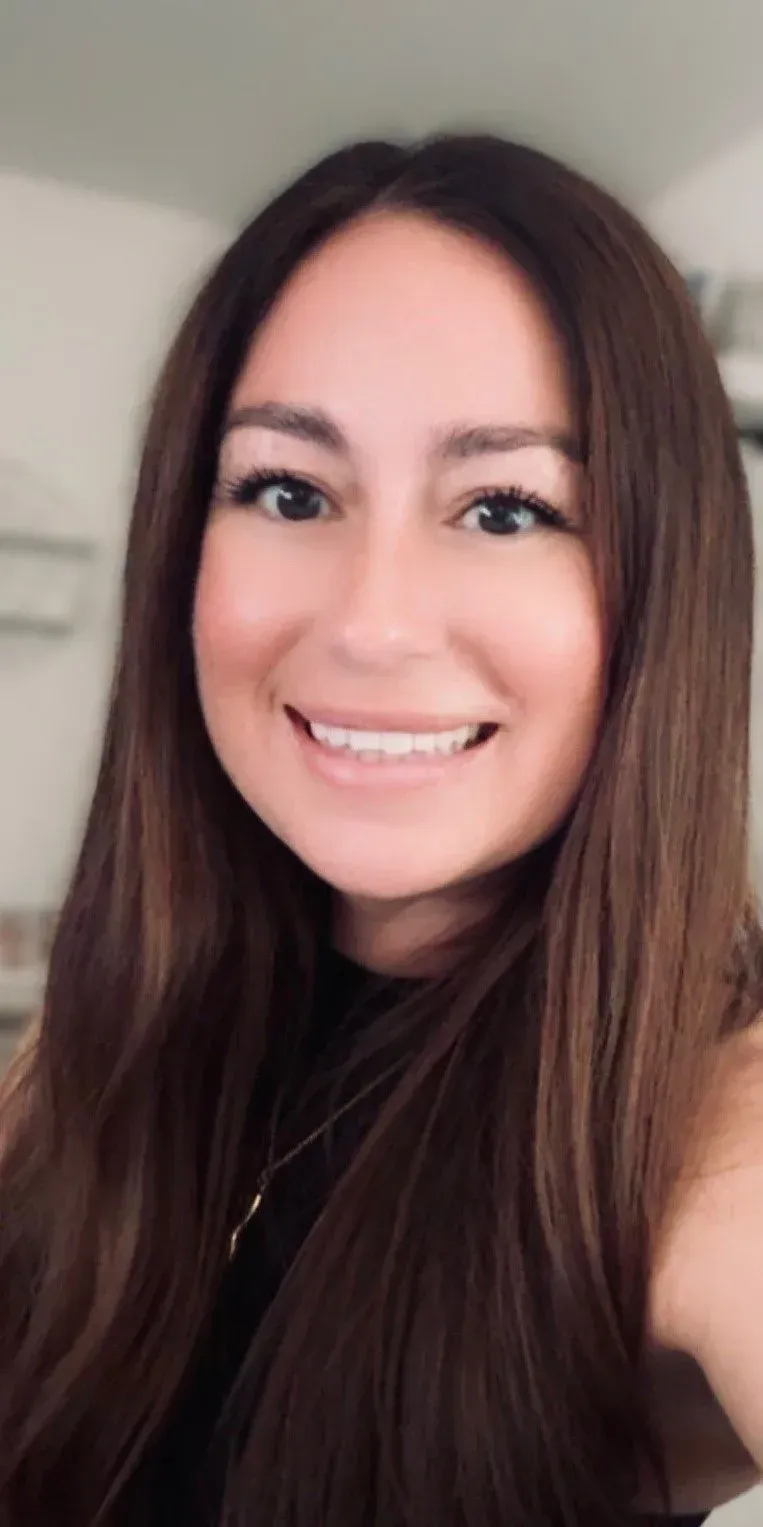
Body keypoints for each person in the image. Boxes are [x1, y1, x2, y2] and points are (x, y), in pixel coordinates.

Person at [0, 132, 761, 1527]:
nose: (370, 619)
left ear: (664, 591)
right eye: (288, 491)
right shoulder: (82, 1054)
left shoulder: (707, 1128)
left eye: (506, 506)